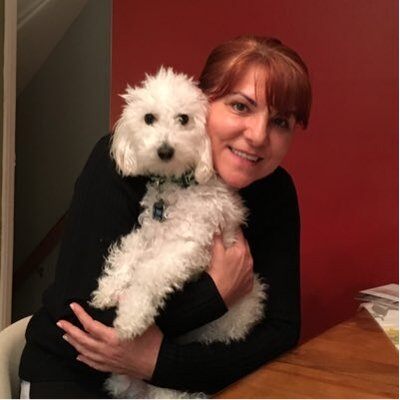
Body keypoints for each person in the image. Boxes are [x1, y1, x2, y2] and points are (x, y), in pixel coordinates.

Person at [19, 35, 312, 398]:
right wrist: (214, 294)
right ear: (203, 101)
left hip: (181, 383)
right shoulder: (125, 162)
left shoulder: (275, 191)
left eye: (281, 121)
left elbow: (281, 331)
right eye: (240, 107)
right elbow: (87, 318)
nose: (257, 135)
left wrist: (159, 362)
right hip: (73, 375)